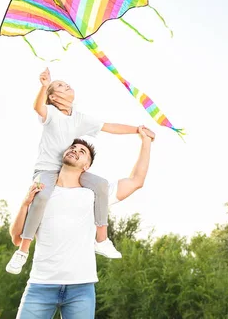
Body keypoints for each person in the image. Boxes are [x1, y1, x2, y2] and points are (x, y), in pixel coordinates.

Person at [6, 67, 155, 275]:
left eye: (65, 83)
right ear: (53, 97)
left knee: (102, 185)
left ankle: (102, 239)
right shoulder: (51, 114)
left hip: (69, 173)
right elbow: (38, 107)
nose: (65, 85)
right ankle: (23, 251)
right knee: (41, 198)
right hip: (48, 171)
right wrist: (42, 87)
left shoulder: (79, 119)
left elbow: (109, 127)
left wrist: (138, 131)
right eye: (59, 85)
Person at [10, 127, 154, 318]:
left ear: (86, 166)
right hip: (40, 285)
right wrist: (25, 204)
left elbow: (136, 180)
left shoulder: (93, 194)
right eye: (73, 147)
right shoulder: (42, 192)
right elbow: (16, 238)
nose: (75, 150)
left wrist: (146, 142)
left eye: (82, 151)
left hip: (81, 288)